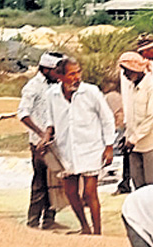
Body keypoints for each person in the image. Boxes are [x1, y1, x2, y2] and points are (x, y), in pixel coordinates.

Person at [46, 57, 115, 235]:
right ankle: (84, 226)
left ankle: (97, 232)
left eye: (78, 72)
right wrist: (46, 135)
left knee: (90, 193)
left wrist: (109, 146)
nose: (77, 77)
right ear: (59, 76)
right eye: (72, 74)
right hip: (65, 150)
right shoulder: (52, 95)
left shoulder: (91, 92)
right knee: (70, 192)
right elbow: (50, 120)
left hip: (90, 148)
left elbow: (107, 119)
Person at [17, 52, 68, 231]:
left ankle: (49, 219)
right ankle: (32, 222)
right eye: (56, 71)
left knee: (54, 183)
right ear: (46, 69)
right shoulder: (33, 87)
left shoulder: (57, 85)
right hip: (40, 144)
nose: (58, 74)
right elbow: (23, 114)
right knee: (40, 183)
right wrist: (41, 134)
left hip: (56, 141)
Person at [118, 51, 153, 188]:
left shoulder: (152, 86)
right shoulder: (132, 87)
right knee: (139, 185)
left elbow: (152, 116)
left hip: (151, 143)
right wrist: (127, 136)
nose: (125, 75)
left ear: (136, 69)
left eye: (127, 71)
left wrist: (134, 138)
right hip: (134, 145)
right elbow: (132, 116)